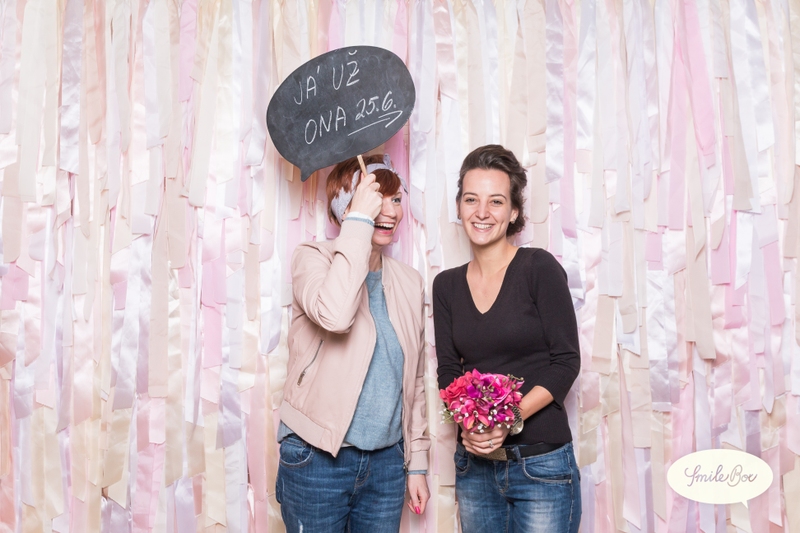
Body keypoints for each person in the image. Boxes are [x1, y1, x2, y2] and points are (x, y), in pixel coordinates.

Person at [276, 154, 430, 533]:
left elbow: (414, 382)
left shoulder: (409, 281)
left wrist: (417, 463)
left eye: (396, 199)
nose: (390, 211)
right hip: (316, 458)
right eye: (376, 198)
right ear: (345, 208)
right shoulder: (312, 258)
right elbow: (336, 315)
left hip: (387, 465)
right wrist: (360, 221)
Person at [433, 145, 581, 533]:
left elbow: (566, 362)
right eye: (471, 199)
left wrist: (507, 419)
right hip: (475, 469)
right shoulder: (446, 285)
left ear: (514, 211)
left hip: (541, 467)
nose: (482, 212)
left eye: (496, 201)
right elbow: (448, 370)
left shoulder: (538, 268)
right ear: (459, 206)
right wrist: (469, 423)